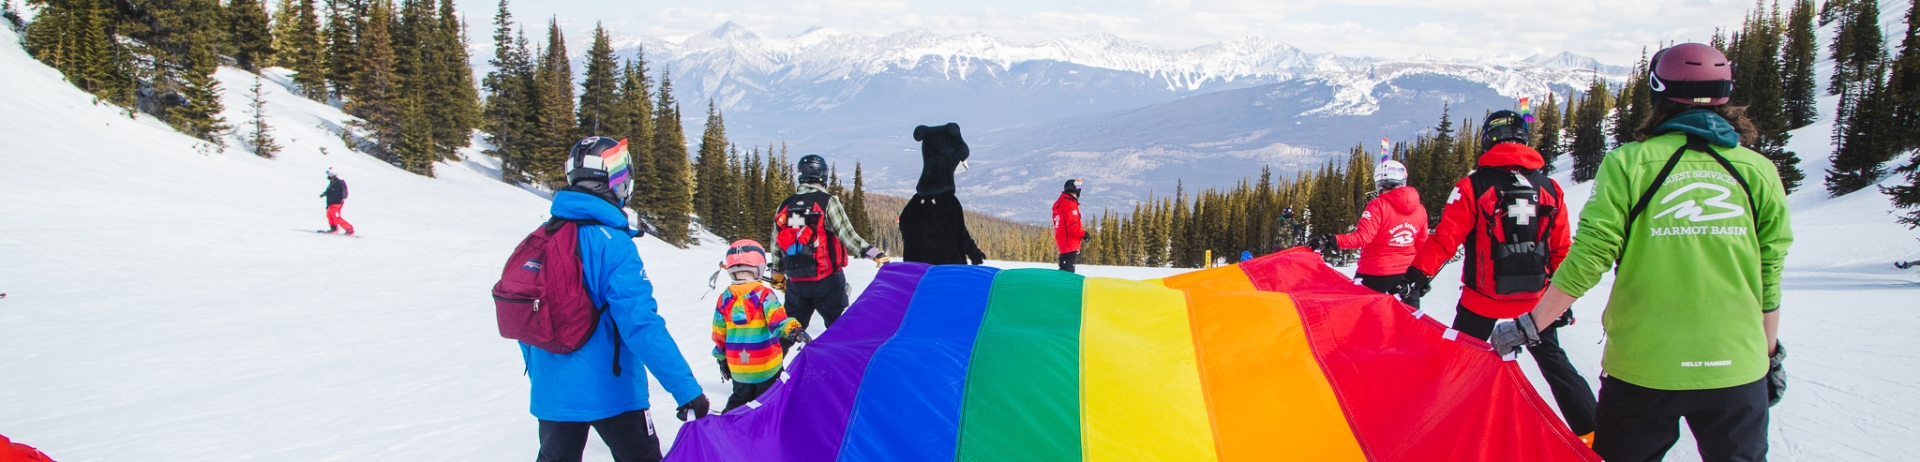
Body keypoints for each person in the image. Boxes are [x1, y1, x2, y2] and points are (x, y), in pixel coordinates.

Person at [1490, 43, 1792, 462]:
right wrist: (1770, 353)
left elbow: (1589, 258)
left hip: (1643, 368)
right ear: (1726, 95)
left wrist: (1530, 324)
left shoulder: (1628, 163)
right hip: (1737, 366)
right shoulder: (1758, 170)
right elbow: (1769, 271)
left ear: (1657, 94)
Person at [1399, 110, 1595, 443]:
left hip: (1482, 300)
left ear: (1489, 140)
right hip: (1536, 302)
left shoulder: (1473, 185)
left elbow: (1446, 239)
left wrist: (1415, 276)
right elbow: (1561, 248)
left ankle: (1444, 431)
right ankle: (1594, 431)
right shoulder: (1550, 188)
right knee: (1555, 365)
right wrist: (1560, 302)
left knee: (1459, 364)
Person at [523, 137, 710, 462]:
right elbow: (641, 325)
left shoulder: (541, 237)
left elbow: (524, 313)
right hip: (614, 392)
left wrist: (546, 374)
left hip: (552, 395)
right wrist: (686, 390)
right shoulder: (613, 244)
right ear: (608, 181)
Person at [771, 154, 888, 335]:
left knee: (788, 333)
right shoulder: (827, 201)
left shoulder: (785, 205)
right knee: (841, 331)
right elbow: (846, 234)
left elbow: (776, 243)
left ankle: (774, 362)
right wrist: (873, 253)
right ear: (823, 175)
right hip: (827, 281)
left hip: (796, 283)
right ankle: (845, 363)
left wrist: (777, 273)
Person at [1306, 159, 1428, 303]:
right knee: (1408, 323)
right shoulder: (1420, 209)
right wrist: (1421, 276)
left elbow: (1362, 237)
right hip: (1406, 277)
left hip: (1375, 275)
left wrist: (1331, 240)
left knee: (1361, 320)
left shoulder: (1378, 205)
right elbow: (1423, 245)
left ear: (1382, 184)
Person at [710, 239, 811, 412]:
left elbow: (719, 334)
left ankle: (730, 425)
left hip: (738, 368)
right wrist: (794, 330)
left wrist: (721, 359)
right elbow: (778, 320)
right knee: (773, 402)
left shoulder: (724, 298)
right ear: (759, 268)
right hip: (767, 367)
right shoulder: (765, 295)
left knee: (740, 398)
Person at [1051, 179, 1089, 272]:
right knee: (1068, 272)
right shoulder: (1070, 205)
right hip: (1070, 244)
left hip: (1063, 243)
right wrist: (1084, 234)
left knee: (1064, 270)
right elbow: (1073, 227)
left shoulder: (1061, 204)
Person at [319, 169, 354, 235]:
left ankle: (349, 229)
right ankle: (334, 228)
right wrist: (325, 194)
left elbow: (342, 194)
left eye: (330, 175)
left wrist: (338, 199)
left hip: (336, 203)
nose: (328, 176)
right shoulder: (332, 182)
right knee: (329, 216)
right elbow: (330, 191)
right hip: (331, 203)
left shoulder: (339, 183)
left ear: (333, 175)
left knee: (336, 218)